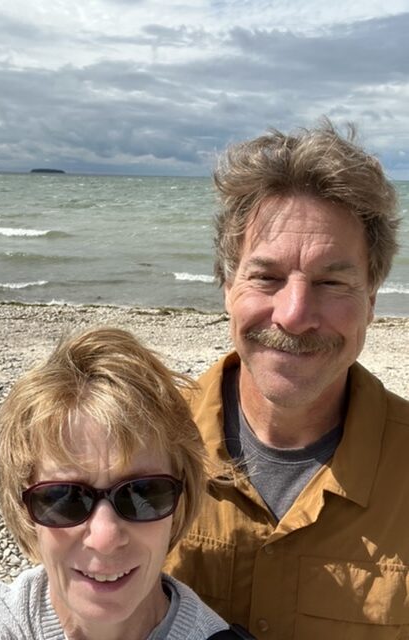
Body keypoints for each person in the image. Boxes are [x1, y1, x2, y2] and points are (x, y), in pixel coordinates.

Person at [164, 119, 409, 639]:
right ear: (227, 287)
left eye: (331, 281)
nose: (294, 315)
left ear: (371, 300)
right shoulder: (145, 440)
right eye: (267, 277)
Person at [0, 327, 252, 640]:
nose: (105, 538)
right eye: (65, 498)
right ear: (23, 509)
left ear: (181, 502)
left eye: (142, 493)